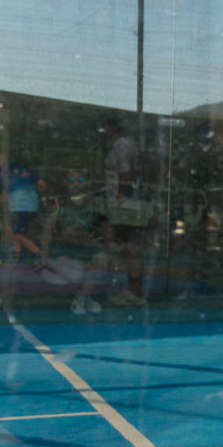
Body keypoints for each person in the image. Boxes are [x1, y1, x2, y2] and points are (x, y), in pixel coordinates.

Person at [95, 117, 153, 307]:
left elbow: (126, 174)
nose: (103, 132)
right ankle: (133, 289)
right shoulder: (129, 143)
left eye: (105, 127)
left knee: (130, 248)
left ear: (112, 127)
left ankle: (134, 291)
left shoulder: (121, 144)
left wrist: (118, 200)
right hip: (130, 203)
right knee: (129, 248)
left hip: (126, 205)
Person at [0, 150, 45, 266]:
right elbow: (42, 183)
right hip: (33, 206)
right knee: (11, 229)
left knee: (17, 234)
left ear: (2, 158)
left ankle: (40, 255)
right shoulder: (25, 169)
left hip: (18, 207)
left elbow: (3, 197)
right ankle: (18, 255)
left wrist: (4, 207)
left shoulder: (0, 173)